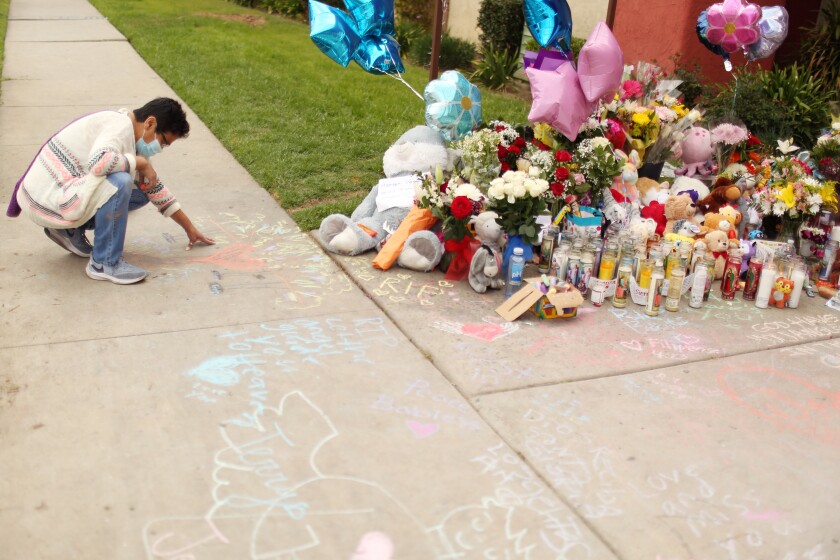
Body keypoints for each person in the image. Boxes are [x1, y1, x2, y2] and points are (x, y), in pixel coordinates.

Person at [7, 97, 214, 284]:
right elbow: (99, 163)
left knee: (142, 188)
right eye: (163, 142)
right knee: (121, 181)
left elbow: (154, 188)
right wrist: (138, 162)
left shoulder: (130, 137)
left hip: (56, 194)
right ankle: (104, 263)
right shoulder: (119, 127)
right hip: (48, 197)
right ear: (150, 123)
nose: (160, 148)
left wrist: (189, 228)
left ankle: (67, 230)